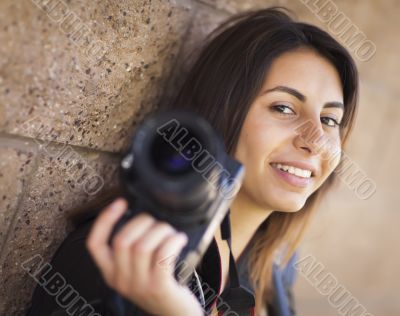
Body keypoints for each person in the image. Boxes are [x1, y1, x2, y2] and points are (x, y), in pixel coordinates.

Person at [26, 7, 359, 316]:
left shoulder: (275, 264)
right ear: (222, 113)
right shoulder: (122, 260)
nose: (315, 141)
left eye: (330, 120)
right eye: (283, 108)